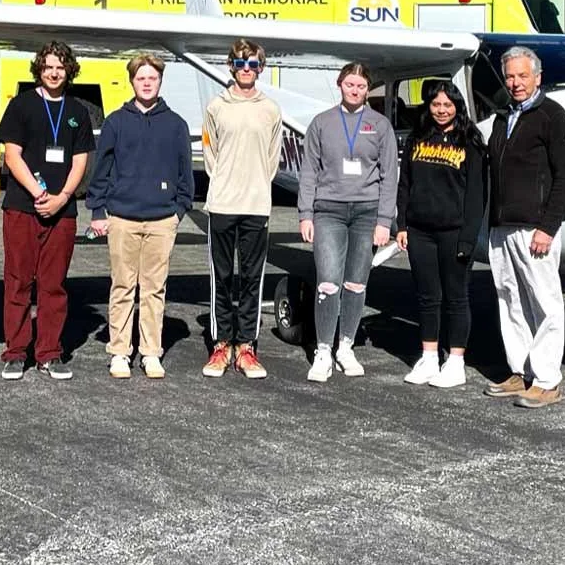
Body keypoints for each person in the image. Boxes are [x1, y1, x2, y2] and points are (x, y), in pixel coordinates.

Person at [85, 53, 193, 380]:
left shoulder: (175, 124)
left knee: (154, 288)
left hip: (162, 220)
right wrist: (98, 210)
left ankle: (150, 352)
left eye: (152, 78)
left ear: (160, 81)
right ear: (132, 81)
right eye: (141, 78)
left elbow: (185, 175)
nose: (147, 83)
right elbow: (101, 170)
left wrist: (178, 211)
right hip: (122, 218)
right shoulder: (117, 121)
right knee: (122, 286)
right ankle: (119, 351)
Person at [0, 41, 96, 381]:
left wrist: (63, 196)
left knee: (53, 285)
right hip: (23, 207)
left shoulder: (77, 111)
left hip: (62, 211)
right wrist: (39, 192)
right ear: (39, 68)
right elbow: (12, 155)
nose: (54, 72)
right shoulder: (22, 106)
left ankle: (49, 353)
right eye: (49, 66)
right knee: (18, 281)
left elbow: (81, 159)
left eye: (61, 67)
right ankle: (15, 351)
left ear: (69, 71)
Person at [482, 45, 565, 408]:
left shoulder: (553, 116)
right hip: (502, 226)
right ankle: (520, 371)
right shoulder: (503, 116)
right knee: (510, 300)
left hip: (535, 228)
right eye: (510, 76)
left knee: (544, 302)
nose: (516, 82)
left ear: (538, 77)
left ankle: (548, 379)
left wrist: (548, 227)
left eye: (523, 76)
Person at [296, 62, 399, 383]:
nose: (355, 91)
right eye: (349, 85)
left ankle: (346, 345)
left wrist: (385, 220)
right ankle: (323, 349)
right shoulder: (322, 123)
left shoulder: (380, 125)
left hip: (367, 213)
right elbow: (309, 170)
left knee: (356, 282)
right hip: (329, 211)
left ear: (368, 90)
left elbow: (389, 175)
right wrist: (305, 214)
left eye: (361, 86)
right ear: (340, 85)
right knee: (328, 282)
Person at [396, 79, 488, 389]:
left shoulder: (471, 142)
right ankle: (429, 356)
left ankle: (456, 361)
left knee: (456, 297)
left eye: (447, 105)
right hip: (420, 231)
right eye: (436, 104)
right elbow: (405, 184)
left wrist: (468, 237)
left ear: (457, 106)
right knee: (427, 297)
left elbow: (477, 195)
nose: (441, 110)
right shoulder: (418, 138)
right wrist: (402, 225)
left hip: (454, 232)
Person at [199, 38, 282, 379]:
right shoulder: (216, 107)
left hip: (256, 204)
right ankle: (221, 345)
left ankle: (246, 346)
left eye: (251, 64)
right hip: (222, 203)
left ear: (260, 69)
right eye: (239, 63)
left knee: (251, 278)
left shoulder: (270, 109)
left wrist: (257, 186)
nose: (245, 70)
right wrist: (224, 183)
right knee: (222, 277)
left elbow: (272, 159)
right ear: (230, 66)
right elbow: (210, 154)